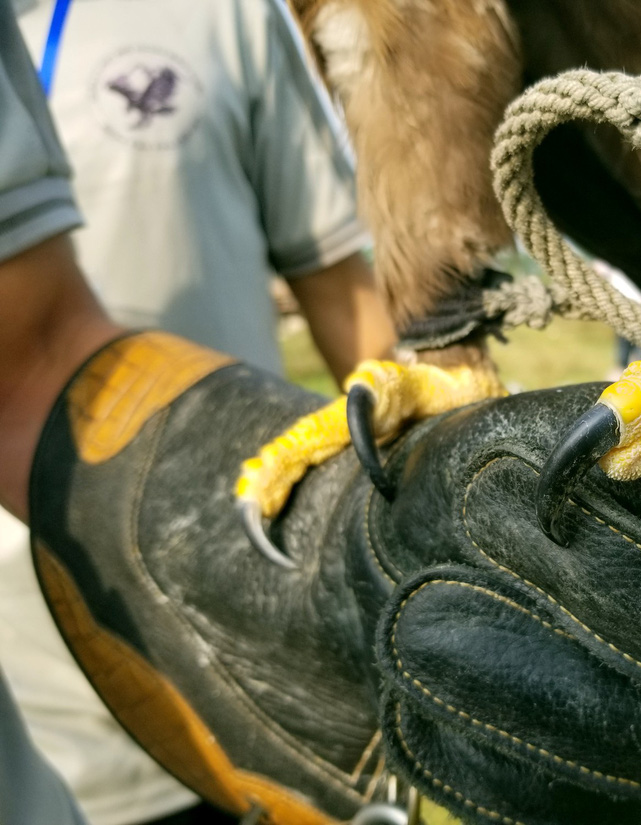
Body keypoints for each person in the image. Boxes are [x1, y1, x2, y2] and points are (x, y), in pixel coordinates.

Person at [1, 0, 396, 822]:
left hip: (245, 652)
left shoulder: (222, 10)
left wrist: (431, 517)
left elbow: (341, 288)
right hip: (27, 708)